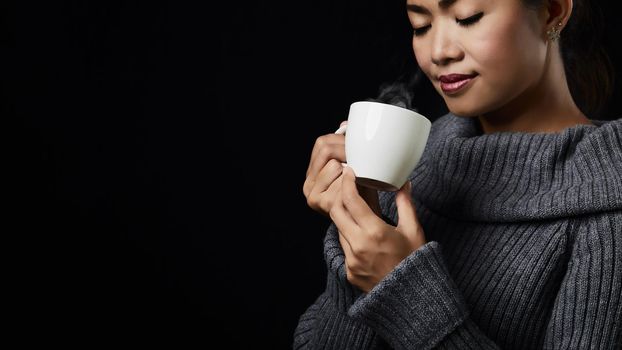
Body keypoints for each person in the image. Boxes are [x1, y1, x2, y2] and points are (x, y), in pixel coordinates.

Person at [294, 0, 622, 348]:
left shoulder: (607, 214)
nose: (439, 52)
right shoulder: (412, 161)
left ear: (553, 12)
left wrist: (404, 293)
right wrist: (355, 243)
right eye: (421, 25)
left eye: (468, 18)